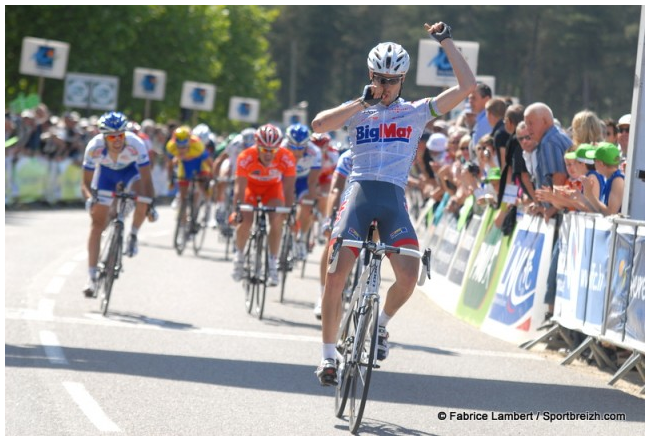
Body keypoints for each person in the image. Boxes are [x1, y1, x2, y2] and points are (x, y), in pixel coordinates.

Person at [311, 21, 475, 386]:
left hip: (392, 199)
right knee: (335, 276)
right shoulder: (357, 110)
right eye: (378, 79)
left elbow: (467, 87)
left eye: (391, 80)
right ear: (370, 76)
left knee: (409, 277)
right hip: (360, 193)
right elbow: (319, 124)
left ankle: (381, 326)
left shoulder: (415, 111)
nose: (384, 87)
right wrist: (360, 101)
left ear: (402, 80)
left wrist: (445, 41)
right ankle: (326, 356)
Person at [81, 111, 155, 297]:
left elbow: (146, 179)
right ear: (104, 137)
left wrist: (150, 203)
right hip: (105, 176)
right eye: (112, 136)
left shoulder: (136, 145)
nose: (117, 140)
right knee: (97, 224)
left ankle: (133, 235)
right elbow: (86, 183)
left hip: (130, 173)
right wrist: (90, 198)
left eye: (120, 135)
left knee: (141, 198)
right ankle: (91, 276)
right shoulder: (94, 147)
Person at [230, 124, 297, 287]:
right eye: (264, 150)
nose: (269, 154)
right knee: (245, 220)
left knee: (276, 220)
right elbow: (239, 188)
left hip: (272, 189)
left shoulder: (286, 157)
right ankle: (239, 256)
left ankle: (273, 263)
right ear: (256, 146)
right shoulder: (246, 156)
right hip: (250, 189)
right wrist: (236, 210)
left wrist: (289, 213)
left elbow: (289, 188)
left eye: (273, 150)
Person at [314, 148, 352, 320]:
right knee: (331, 242)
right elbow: (335, 189)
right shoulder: (347, 157)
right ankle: (322, 295)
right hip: (345, 205)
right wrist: (330, 217)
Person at [282, 123, 322, 260]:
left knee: (307, 205)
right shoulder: (280, 149)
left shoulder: (315, 152)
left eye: (301, 148)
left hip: (303, 180)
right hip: (284, 177)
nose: (296, 152)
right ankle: (285, 229)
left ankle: (302, 238)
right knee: (282, 204)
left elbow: (312, 181)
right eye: (292, 147)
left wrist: (310, 199)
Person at [165, 126, 213, 231]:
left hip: (200, 165)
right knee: (183, 198)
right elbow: (169, 165)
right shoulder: (171, 146)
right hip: (185, 167)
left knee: (203, 184)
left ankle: (206, 205)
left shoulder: (197, 145)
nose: (181, 150)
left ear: (189, 142)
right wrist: (170, 180)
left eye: (184, 147)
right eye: (179, 147)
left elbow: (209, 162)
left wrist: (211, 176)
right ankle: (183, 222)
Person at [583, 142, 625, 215]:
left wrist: (590, 194)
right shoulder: (611, 178)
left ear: (601, 163)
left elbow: (610, 213)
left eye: (594, 159)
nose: (593, 163)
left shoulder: (617, 180)